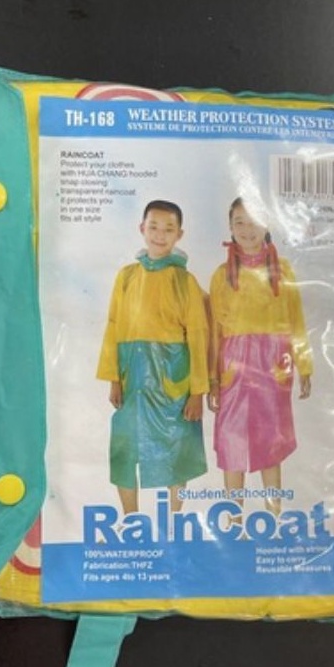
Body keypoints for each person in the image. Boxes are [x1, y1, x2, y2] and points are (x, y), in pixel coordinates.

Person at [96, 200, 209, 515]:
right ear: (142, 228)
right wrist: (114, 379)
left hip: (173, 379)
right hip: (132, 375)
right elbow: (113, 325)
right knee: (124, 448)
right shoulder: (126, 276)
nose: (160, 235)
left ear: (179, 234)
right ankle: (131, 519)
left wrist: (197, 393)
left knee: (178, 447)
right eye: (154, 227)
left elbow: (198, 336)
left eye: (168, 229)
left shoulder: (185, 281)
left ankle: (175, 519)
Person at [208, 197, 312, 515]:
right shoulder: (222, 275)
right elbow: (214, 331)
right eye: (239, 222)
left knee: (271, 441)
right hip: (233, 366)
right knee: (231, 441)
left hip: (272, 363)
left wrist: (304, 365)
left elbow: (295, 320)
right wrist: (212, 379)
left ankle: (273, 518)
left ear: (266, 225)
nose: (246, 229)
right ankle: (233, 520)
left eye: (253, 221)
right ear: (230, 227)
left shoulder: (282, 270)